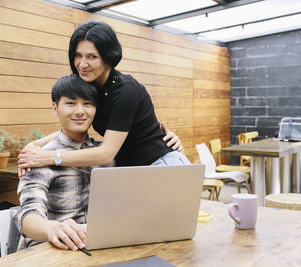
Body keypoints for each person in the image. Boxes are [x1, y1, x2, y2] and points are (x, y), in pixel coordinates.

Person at [17, 20, 190, 176]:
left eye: (92, 57)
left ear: (108, 57)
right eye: (78, 55)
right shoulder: (92, 88)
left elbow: (106, 154)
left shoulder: (125, 90)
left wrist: (47, 157)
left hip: (163, 166)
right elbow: (72, 126)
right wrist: (34, 146)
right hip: (135, 171)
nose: (82, 64)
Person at [10, 75, 103, 252]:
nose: (80, 111)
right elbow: (28, 216)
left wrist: (170, 142)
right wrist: (52, 228)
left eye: (87, 104)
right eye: (70, 103)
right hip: (51, 250)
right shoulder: (38, 158)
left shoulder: (103, 153)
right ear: (55, 107)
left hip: (96, 248)